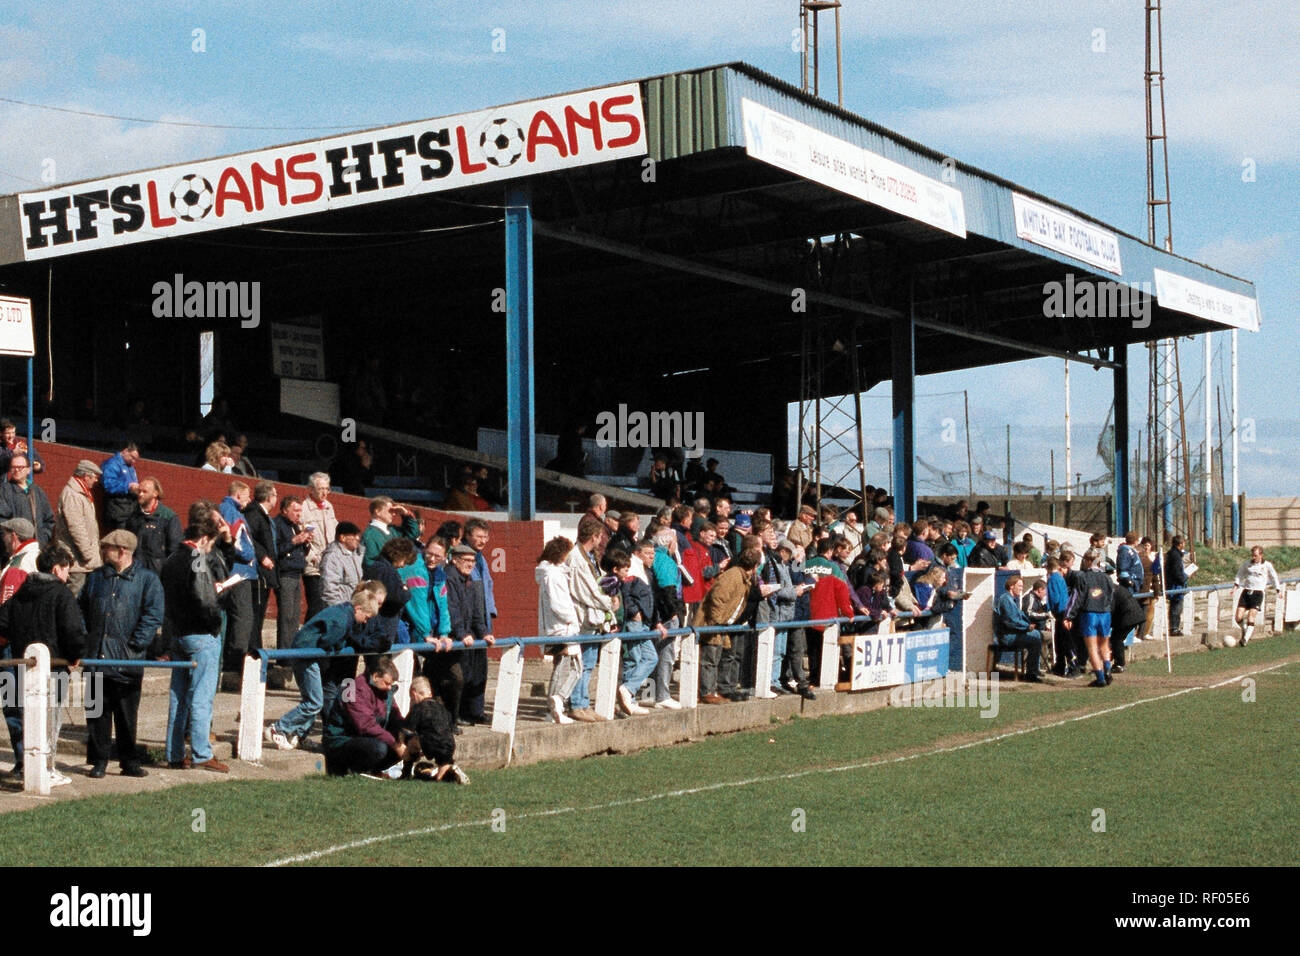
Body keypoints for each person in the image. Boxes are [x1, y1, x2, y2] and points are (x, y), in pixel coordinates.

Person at [79, 530, 165, 778]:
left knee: (127, 714)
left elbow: (153, 614)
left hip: (127, 661)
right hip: (96, 658)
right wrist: (86, 639)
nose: (103, 552)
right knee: (97, 713)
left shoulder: (147, 580)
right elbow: (80, 608)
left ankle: (129, 760)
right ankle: (99, 760)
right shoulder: (96, 578)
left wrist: (136, 645)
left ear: (122, 551)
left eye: (107, 548)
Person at [0, 543, 87, 785]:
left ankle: (29, 765)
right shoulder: (61, 594)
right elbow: (73, 630)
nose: (68, 574)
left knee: (29, 718)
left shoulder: (21, 593)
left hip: (23, 666)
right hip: (54, 667)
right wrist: (75, 655)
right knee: (50, 721)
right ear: (57, 568)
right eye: (66, 568)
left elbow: (3, 623)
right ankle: (46, 768)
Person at [265, 583, 383, 750]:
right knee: (314, 701)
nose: (366, 620)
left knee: (315, 698)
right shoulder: (343, 619)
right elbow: (328, 640)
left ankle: (298, 733)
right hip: (305, 655)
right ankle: (279, 728)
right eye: (367, 616)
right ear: (358, 608)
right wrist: (340, 644)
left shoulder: (343, 612)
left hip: (310, 655)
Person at [161, 501, 232, 773]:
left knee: (178, 697)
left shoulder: (170, 560)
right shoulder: (198, 559)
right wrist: (214, 624)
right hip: (202, 634)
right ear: (203, 539)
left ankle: (174, 752)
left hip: (178, 632)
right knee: (202, 696)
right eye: (210, 544)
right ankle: (202, 753)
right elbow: (206, 601)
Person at [694, 548, 761, 704]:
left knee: (720, 657)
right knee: (710, 659)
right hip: (713, 624)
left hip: (723, 624)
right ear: (755, 565)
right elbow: (717, 598)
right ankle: (707, 692)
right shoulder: (733, 576)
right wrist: (716, 622)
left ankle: (716, 690)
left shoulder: (743, 577)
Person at [322, 655, 406, 777]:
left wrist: (408, 736)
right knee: (379, 748)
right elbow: (366, 725)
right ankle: (353, 769)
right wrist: (394, 744)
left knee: (403, 748)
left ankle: (372, 770)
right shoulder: (351, 689)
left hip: (366, 739)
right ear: (376, 676)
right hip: (342, 740)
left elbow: (395, 717)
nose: (389, 688)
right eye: (387, 683)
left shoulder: (384, 691)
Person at [564, 516, 613, 721]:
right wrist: (609, 602)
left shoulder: (590, 557)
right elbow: (587, 591)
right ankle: (577, 704)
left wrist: (611, 595)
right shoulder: (576, 558)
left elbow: (600, 582)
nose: (601, 540)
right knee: (581, 663)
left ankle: (584, 703)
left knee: (590, 662)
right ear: (594, 536)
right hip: (584, 617)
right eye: (600, 536)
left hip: (594, 618)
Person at [609, 548, 665, 716]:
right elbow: (625, 598)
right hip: (634, 624)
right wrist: (635, 613)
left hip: (645, 624)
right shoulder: (627, 574)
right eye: (648, 553)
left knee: (651, 657)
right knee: (632, 659)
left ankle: (628, 690)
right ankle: (628, 698)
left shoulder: (646, 572)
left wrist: (656, 622)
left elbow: (650, 598)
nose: (652, 557)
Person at [445, 543, 494, 727]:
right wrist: (461, 633)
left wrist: (484, 633)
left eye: (473, 561)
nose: (470, 564)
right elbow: (451, 609)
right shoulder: (450, 578)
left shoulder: (469, 581)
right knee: (457, 678)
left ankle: (471, 713)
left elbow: (475, 613)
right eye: (466, 560)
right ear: (455, 560)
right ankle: (455, 716)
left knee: (475, 673)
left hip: (467, 636)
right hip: (452, 638)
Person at [536, 536, 581, 724]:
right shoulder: (552, 575)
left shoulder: (552, 573)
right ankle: (557, 701)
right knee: (570, 668)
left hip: (557, 628)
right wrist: (573, 619)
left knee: (564, 667)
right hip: (561, 628)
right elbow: (557, 603)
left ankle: (554, 706)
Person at [217, 481, 258, 672]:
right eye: (247, 495)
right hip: (239, 574)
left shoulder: (227, 510)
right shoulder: (231, 512)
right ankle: (234, 664)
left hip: (236, 571)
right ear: (239, 495)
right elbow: (235, 541)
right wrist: (250, 555)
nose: (249, 500)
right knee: (242, 617)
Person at [399, 676, 468, 783]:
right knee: (441, 772)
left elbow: (406, 730)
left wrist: (402, 744)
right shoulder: (442, 708)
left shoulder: (419, 708)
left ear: (414, 693)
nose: (412, 701)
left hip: (431, 742)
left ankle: (406, 773)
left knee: (411, 742)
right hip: (449, 745)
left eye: (411, 698)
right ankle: (451, 772)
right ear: (430, 693)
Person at [1064, 548, 1116, 687]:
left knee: (1092, 647)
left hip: (1089, 614)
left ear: (1088, 561)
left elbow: (1076, 598)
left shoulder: (1083, 577)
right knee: (1104, 645)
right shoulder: (1106, 577)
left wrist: (1069, 615)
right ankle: (1108, 672)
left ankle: (1100, 678)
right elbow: (1111, 596)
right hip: (1105, 614)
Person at [54, 458, 103, 596]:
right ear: (86, 476)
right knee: (73, 596)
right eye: (94, 477)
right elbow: (76, 527)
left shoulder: (81, 493)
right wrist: (88, 554)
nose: (96, 481)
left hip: (82, 561)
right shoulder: (72, 495)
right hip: (77, 562)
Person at [242, 480, 280, 657]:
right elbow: (248, 536)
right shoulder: (254, 513)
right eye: (275, 495)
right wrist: (262, 556)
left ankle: (255, 650)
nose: (276, 499)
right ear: (269, 497)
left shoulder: (260, 514)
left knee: (259, 615)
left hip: (264, 574)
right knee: (255, 615)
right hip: (257, 574)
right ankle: (252, 652)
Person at [273, 495, 313, 649]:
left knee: (295, 617)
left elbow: (301, 551)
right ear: (284, 510)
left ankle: (291, 651)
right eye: (295, 510)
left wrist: (306, 542)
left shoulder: (296, 526)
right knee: (287, 616)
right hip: (285, 574)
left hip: (297, 574)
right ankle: (284, 655)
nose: (298, 514)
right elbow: (276, 550)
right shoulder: (278, 524)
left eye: (300, 511)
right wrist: (294, 541)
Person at [300, 472, 339, 621]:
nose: (324, 492)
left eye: (327, 489)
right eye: (320, 488)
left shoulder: (329, 507)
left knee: (327, 604)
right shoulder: (304, 508)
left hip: (329, 564)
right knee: (315, 604)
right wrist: (313, 557)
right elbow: (304, 537)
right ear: (310, 489)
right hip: (314, 565)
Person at [125, 477, 182, 576]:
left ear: (155, 493)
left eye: (145, 491)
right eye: (139, 491)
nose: (140, 494)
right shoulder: (132, 515)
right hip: (135, 571)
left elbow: (174, 549)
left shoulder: (168, 516)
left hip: (158, 573)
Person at [992, 574, 1044, 682]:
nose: (1021, 589)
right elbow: (1011, 621)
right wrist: (1027, 627)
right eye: (1019, 586)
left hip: (1010, 633)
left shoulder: (1011, 600)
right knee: (1035, 639)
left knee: (1036, 635)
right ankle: (1031, 673)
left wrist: (1029, 625)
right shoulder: (1006, 600)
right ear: (1011, 586)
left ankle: (1033, 670)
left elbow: (1020, 616)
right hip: (1007, 636)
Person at [0, 454, 55, 550]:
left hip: (37, 549)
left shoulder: (37, 491)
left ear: (28, 470)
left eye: (20, 467)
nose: (16, 470)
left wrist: (42, 540)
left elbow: (49, 520)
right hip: (15, 550)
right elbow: (2, 522)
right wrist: (14, 542)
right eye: (13, 467)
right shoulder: (4, 491)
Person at [1233, 546, 1281, 646]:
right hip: (1246, 592)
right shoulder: (1247, 564)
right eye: (1253, 555)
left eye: (1256, 555)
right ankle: (1246, 630)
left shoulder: (1267, 565)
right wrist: (1235, 586)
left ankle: (1245, 640)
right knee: (1238, 617)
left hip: (1258, 593)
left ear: (1261, 555)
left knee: (1251, 615)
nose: (1254, 557)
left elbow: (1274, 577)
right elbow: (1239, 574)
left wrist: (1278, 589)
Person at [361, 496, 421, 567]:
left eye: (394, 511)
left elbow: (413, 533)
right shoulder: (370, 535)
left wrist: (406, 514)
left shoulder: (393, 530)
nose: (394, 514)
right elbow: (369, 562)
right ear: (377, 511)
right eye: (390, 511)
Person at [320, 522, 365, 608]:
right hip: (343, 608)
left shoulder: (359, 554)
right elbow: (329, 589)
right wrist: (339, 611)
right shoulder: (332, 557)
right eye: (353, 535)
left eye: (358, 535)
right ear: (342, 538)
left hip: (357, 608)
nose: (357, 538)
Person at [99, 443, 140, 531]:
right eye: (132, 457)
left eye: (135, 459)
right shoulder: (112, 464)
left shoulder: (130, 467)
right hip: (117, 508)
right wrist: (128, 487)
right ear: (125, 451)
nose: (133, 461)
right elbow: (108, 485)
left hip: (129, 509)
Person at [0, 517, 40, 603]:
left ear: (13, 536)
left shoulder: (21, 562)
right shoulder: (35, 554)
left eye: (4, 534)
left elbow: (7, 600)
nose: (3, 539)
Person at [1164, 535, 1189, 635]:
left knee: (1176, 606)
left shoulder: (1174, 554)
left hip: (1175, 583)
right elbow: (1176, 572)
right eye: (1183, 543)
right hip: (1175, 585)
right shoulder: (1175, 556)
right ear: (1180, 544)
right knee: (1176, 606)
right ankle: (1174, 628)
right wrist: (1184, 578)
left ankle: (1174, 627)